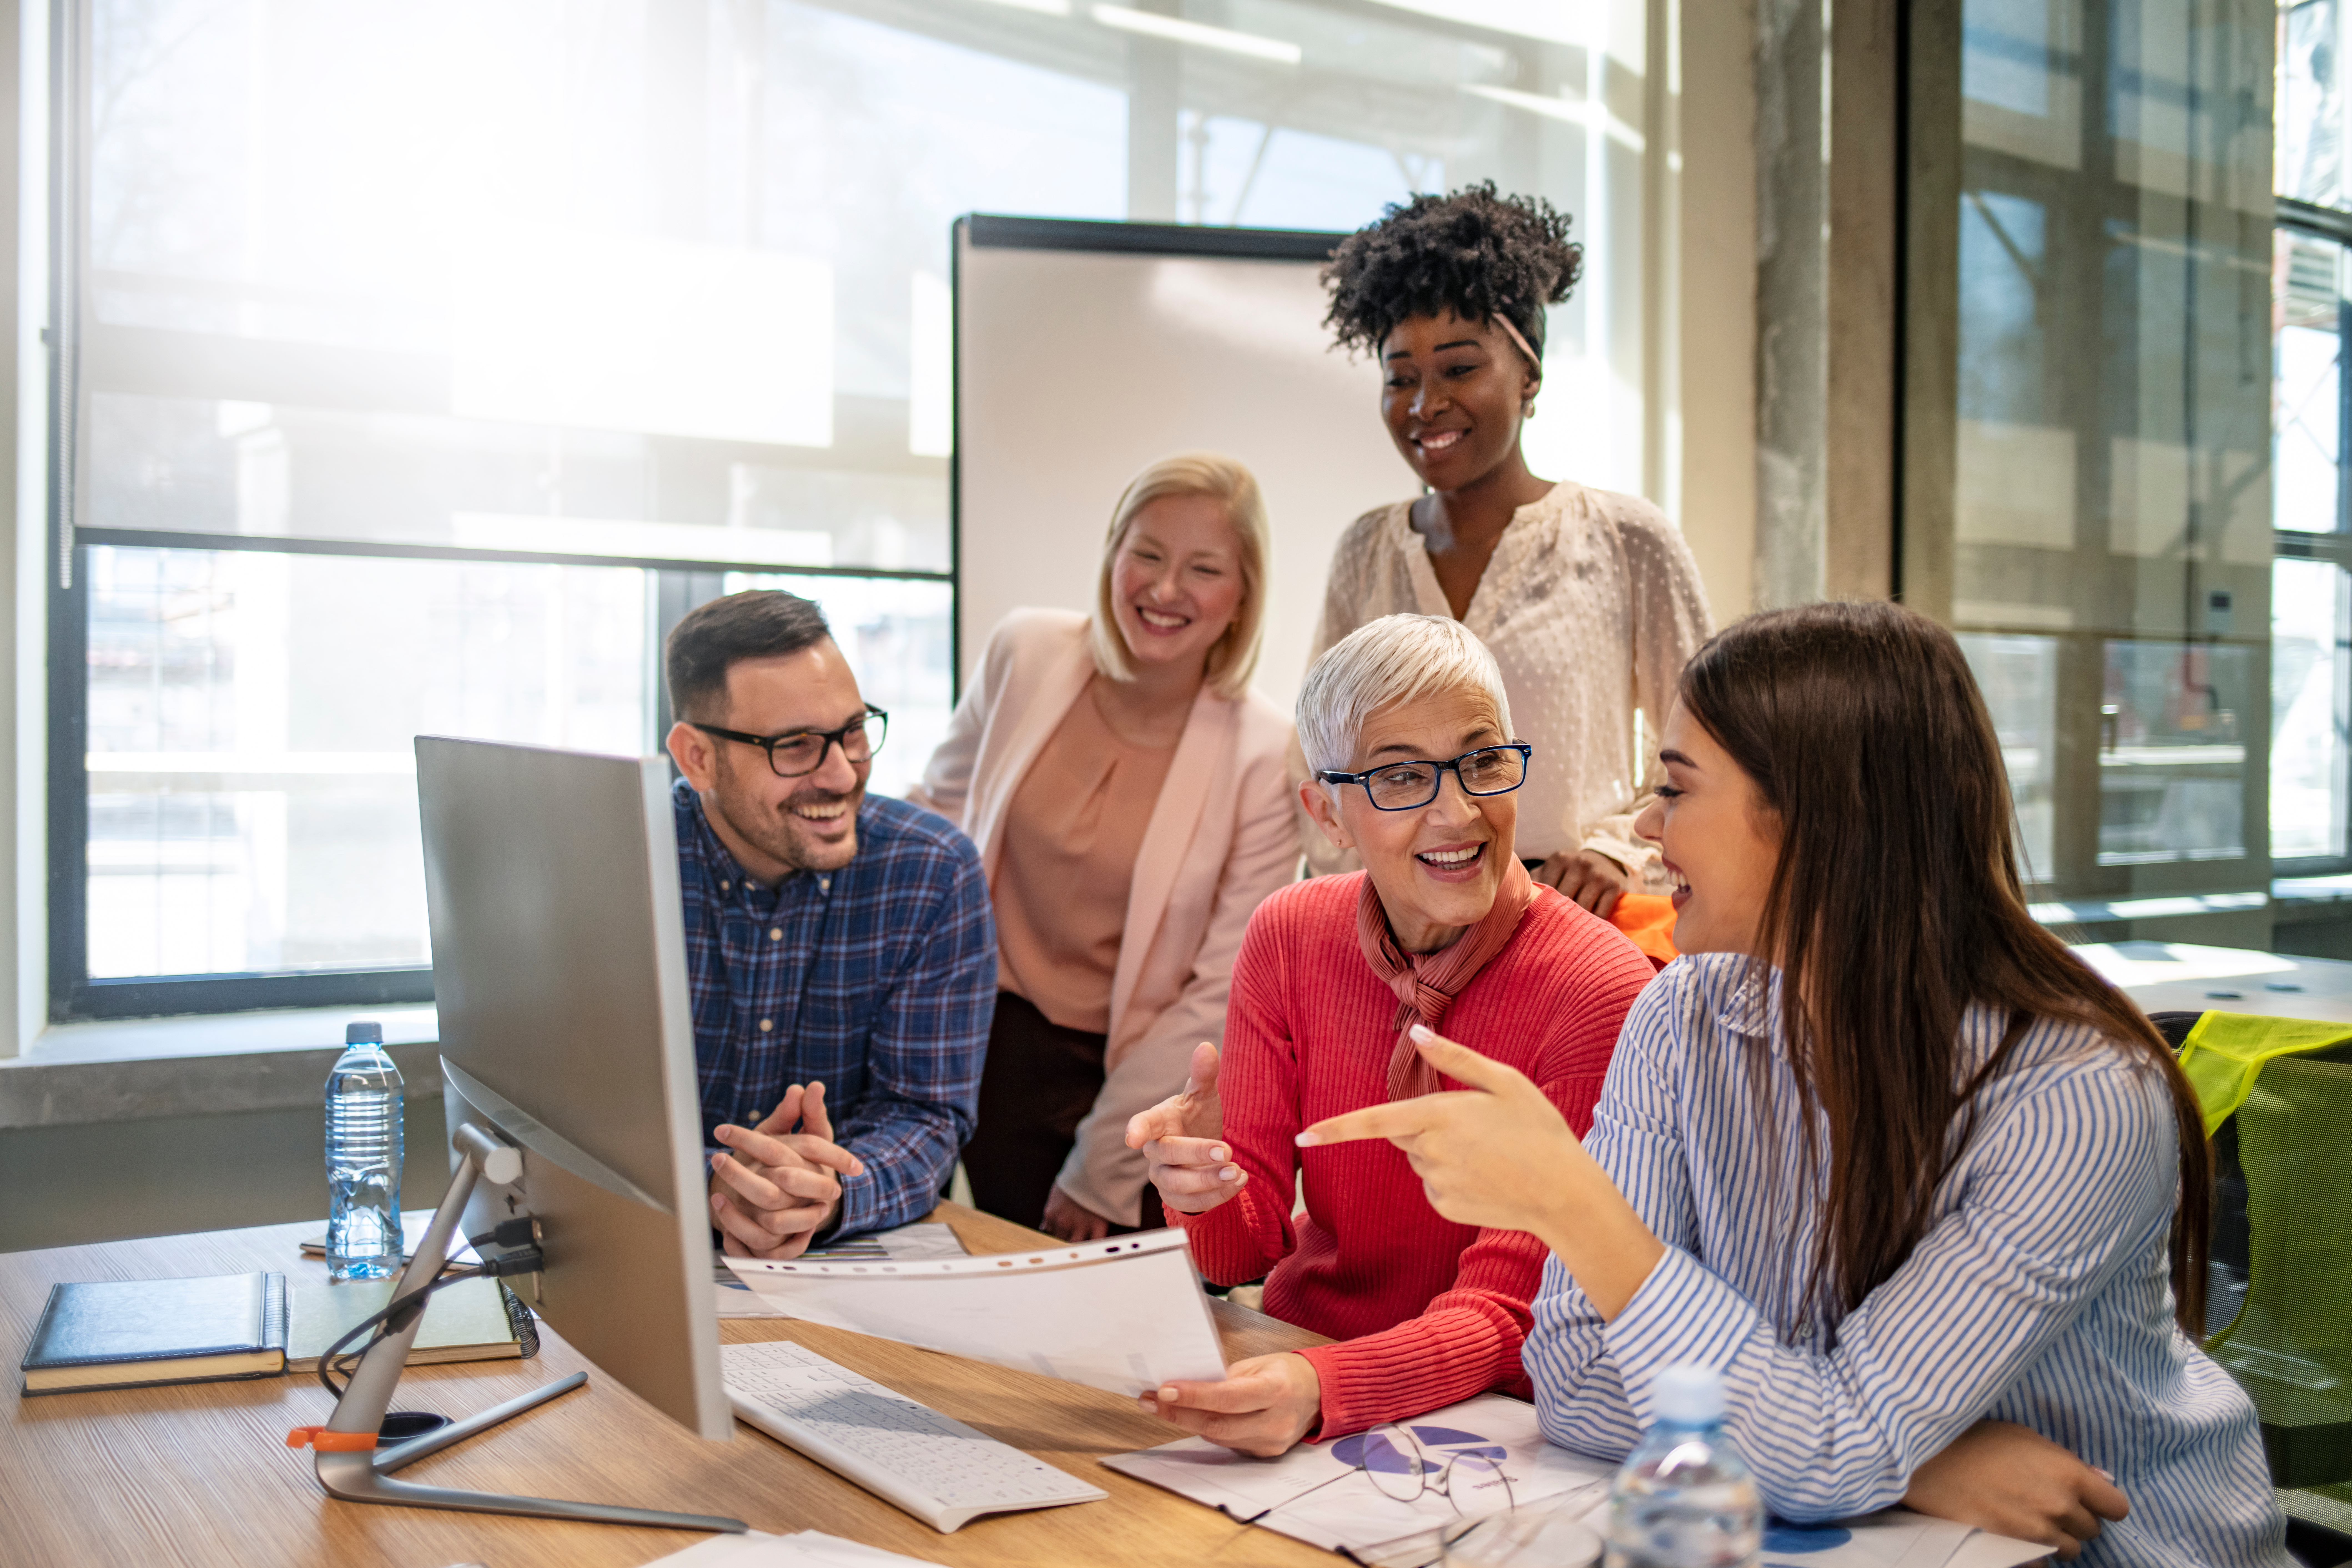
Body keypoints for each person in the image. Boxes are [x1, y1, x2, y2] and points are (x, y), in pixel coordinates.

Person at [1296, 602, 2289, 1564]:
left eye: (1678, 789)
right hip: (1862, 1535)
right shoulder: (1681, 1017)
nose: (1644, 826)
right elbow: (1577, 1385)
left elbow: (1818, 1443)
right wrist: (1907, 1463)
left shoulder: (2075, 1098)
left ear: (1820, 821)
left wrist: (1573, 1207)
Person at [1124, 614, 1655, 1456]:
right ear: (1327, 815)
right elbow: (1245, 1251)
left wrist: (1323, 1387)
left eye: (1481, 762)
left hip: (1493, 1417)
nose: (1458, 811)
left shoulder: (1603, 987)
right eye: (1401, 778)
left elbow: (1508, 1310)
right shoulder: (1288, 936)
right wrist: (1203, 1187)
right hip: (1297, 1358)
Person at [910, 453, 1298, 1241]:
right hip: (989, 1049)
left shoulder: (1266, 750)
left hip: (1145, 1079)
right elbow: (933, 833)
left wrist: (1105, 1162)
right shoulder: (1024, 651)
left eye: (1203, 569)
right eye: (1146, 554)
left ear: (1242, 598)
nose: (1163, 589)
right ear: (1112, 553)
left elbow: (1222, 979)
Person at [1306, 182, 1712, 917]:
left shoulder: (1625, 539)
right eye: (1401, 378)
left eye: (1459, 369)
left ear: (1528, 376)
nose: (1425, 404)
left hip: (1579, 926)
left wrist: (1617, 850)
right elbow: (1322, 764)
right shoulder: (1367, 551)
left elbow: (1706, 758)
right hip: (1404, 930)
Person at [664, 589, 996, 1261]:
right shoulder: (617, 860)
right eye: (795, 747)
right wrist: (720, 1184)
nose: (843, 773)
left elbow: (924, 1114)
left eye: (852, 730)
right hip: (643, 1247)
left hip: (834, 1257)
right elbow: (573, 1121)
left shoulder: (933, 871)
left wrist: (823, 1191)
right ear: (697, 757)